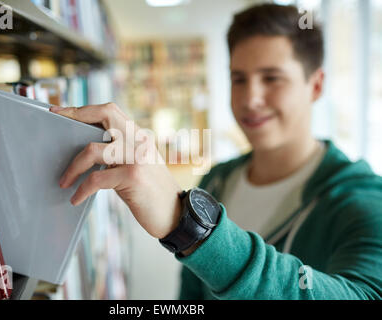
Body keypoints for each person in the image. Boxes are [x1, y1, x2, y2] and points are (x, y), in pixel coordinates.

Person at [50, 3, 382, 299]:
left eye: (272, 78)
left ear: (316, 85)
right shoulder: (218, 180)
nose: (250, 99)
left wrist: (191, 227)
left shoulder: (362, 198)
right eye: (239, 79)